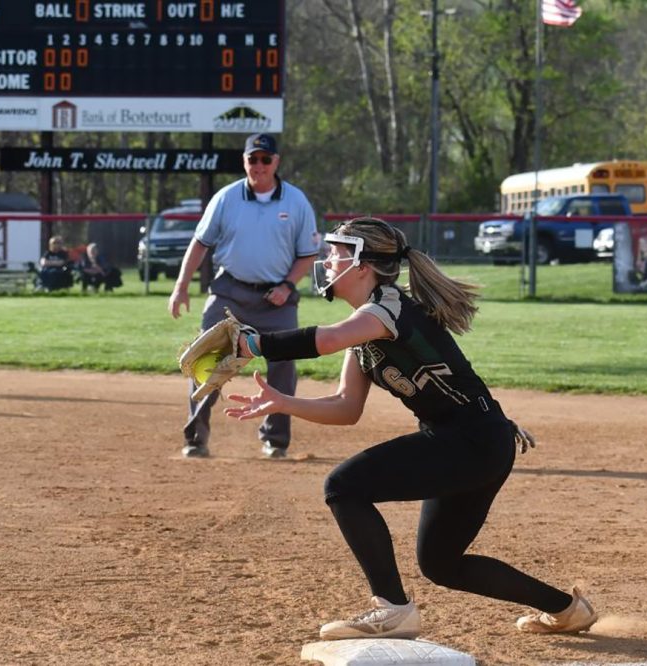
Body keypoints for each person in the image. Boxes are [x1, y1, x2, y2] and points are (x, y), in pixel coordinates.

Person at [224, 217, 598, 639]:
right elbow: (346, 408)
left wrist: (257, 344)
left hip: (469, 440)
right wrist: (284, 402)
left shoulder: (388, 308)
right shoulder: (368, 323)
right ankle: (567, 610)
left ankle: (393, 609)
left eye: (337, 252)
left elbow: (325, 340)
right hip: (475, 442)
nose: (328, 260)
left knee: (344, 487)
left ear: (362, 265)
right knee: (442, 564)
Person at [168, 132, 320, 459]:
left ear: (276, 162)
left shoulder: (296, 201)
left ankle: (275, 440)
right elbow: (200, 243)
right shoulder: (226, 198)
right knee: (206, 361)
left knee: (282, 366)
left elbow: (308, 253)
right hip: (230, 293)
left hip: (275, 298)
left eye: (266, 159)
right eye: (253, 158)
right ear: (245, 161)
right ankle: (196, 437)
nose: (259, 165)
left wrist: (288, 286)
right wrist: (181, 286)